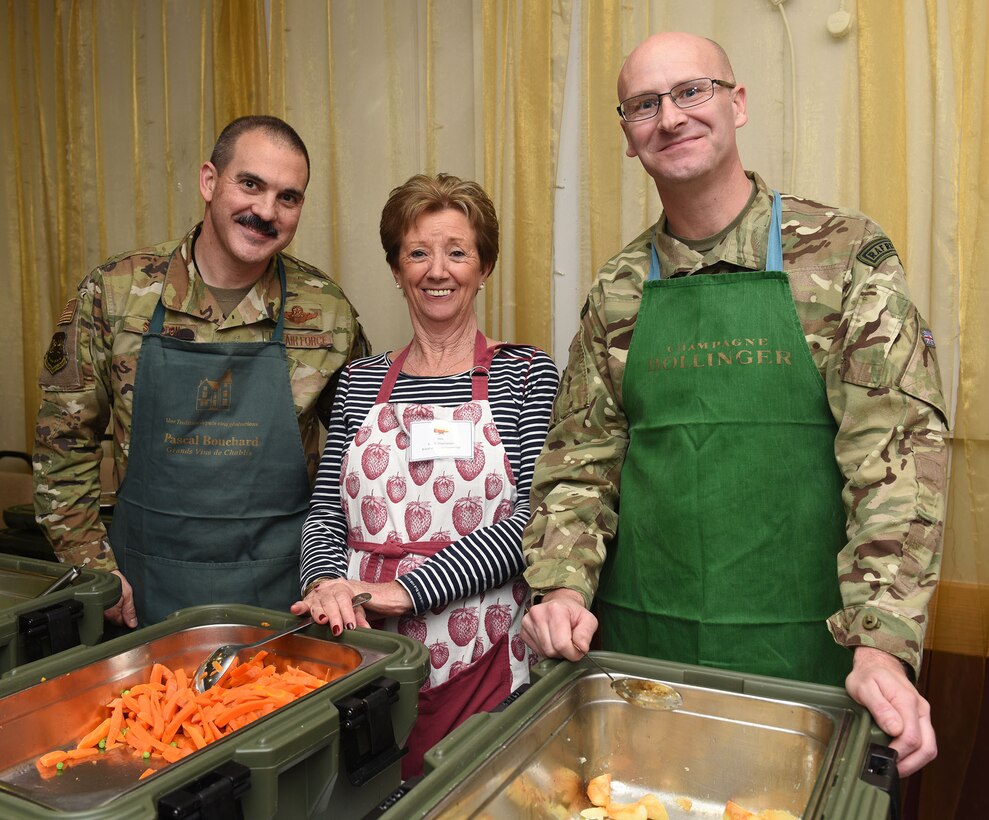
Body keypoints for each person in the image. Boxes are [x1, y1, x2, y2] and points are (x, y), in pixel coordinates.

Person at [520, 33, 947, 778]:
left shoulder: (844, 252)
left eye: (692, 91)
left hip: (809, 661)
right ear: (627, 136)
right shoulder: (618, 287)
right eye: (644, 104)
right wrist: (559, 584)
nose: (670, 117)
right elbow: (577, 467)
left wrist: (881, 642)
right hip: (641, 663)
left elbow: (900, 458)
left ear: (736, 103)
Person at [34, 115, 369, 628]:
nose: (265, 211)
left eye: (288, 197)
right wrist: (92, 571)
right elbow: (63, 445)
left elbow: (363, 455)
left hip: (286, 596)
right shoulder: (117, 293)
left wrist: (336, 578)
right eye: (250, 184)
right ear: (209, 181)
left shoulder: (325, 311)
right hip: (140, 591)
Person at [294, 173, 559, 777]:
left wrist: (406, 592)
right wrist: (325, 587)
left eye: (457, 252)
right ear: (396, 269)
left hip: (482, 649)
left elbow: (536, 521)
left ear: (483, 266)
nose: (437, 270)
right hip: (361, 649)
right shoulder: (361, 379)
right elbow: (326, 512)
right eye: (418, 252)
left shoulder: (526, 375)